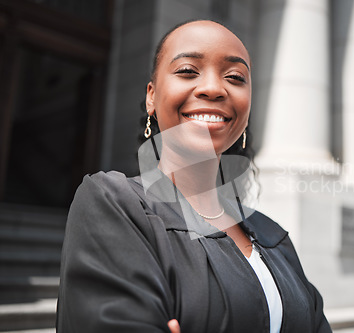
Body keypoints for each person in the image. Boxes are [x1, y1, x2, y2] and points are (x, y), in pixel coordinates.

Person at [56, 19, 331, 333]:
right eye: (187, 71)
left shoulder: (273, 237)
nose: (213, 88)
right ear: (151, 96)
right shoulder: (115, 204)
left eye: (235, 77)